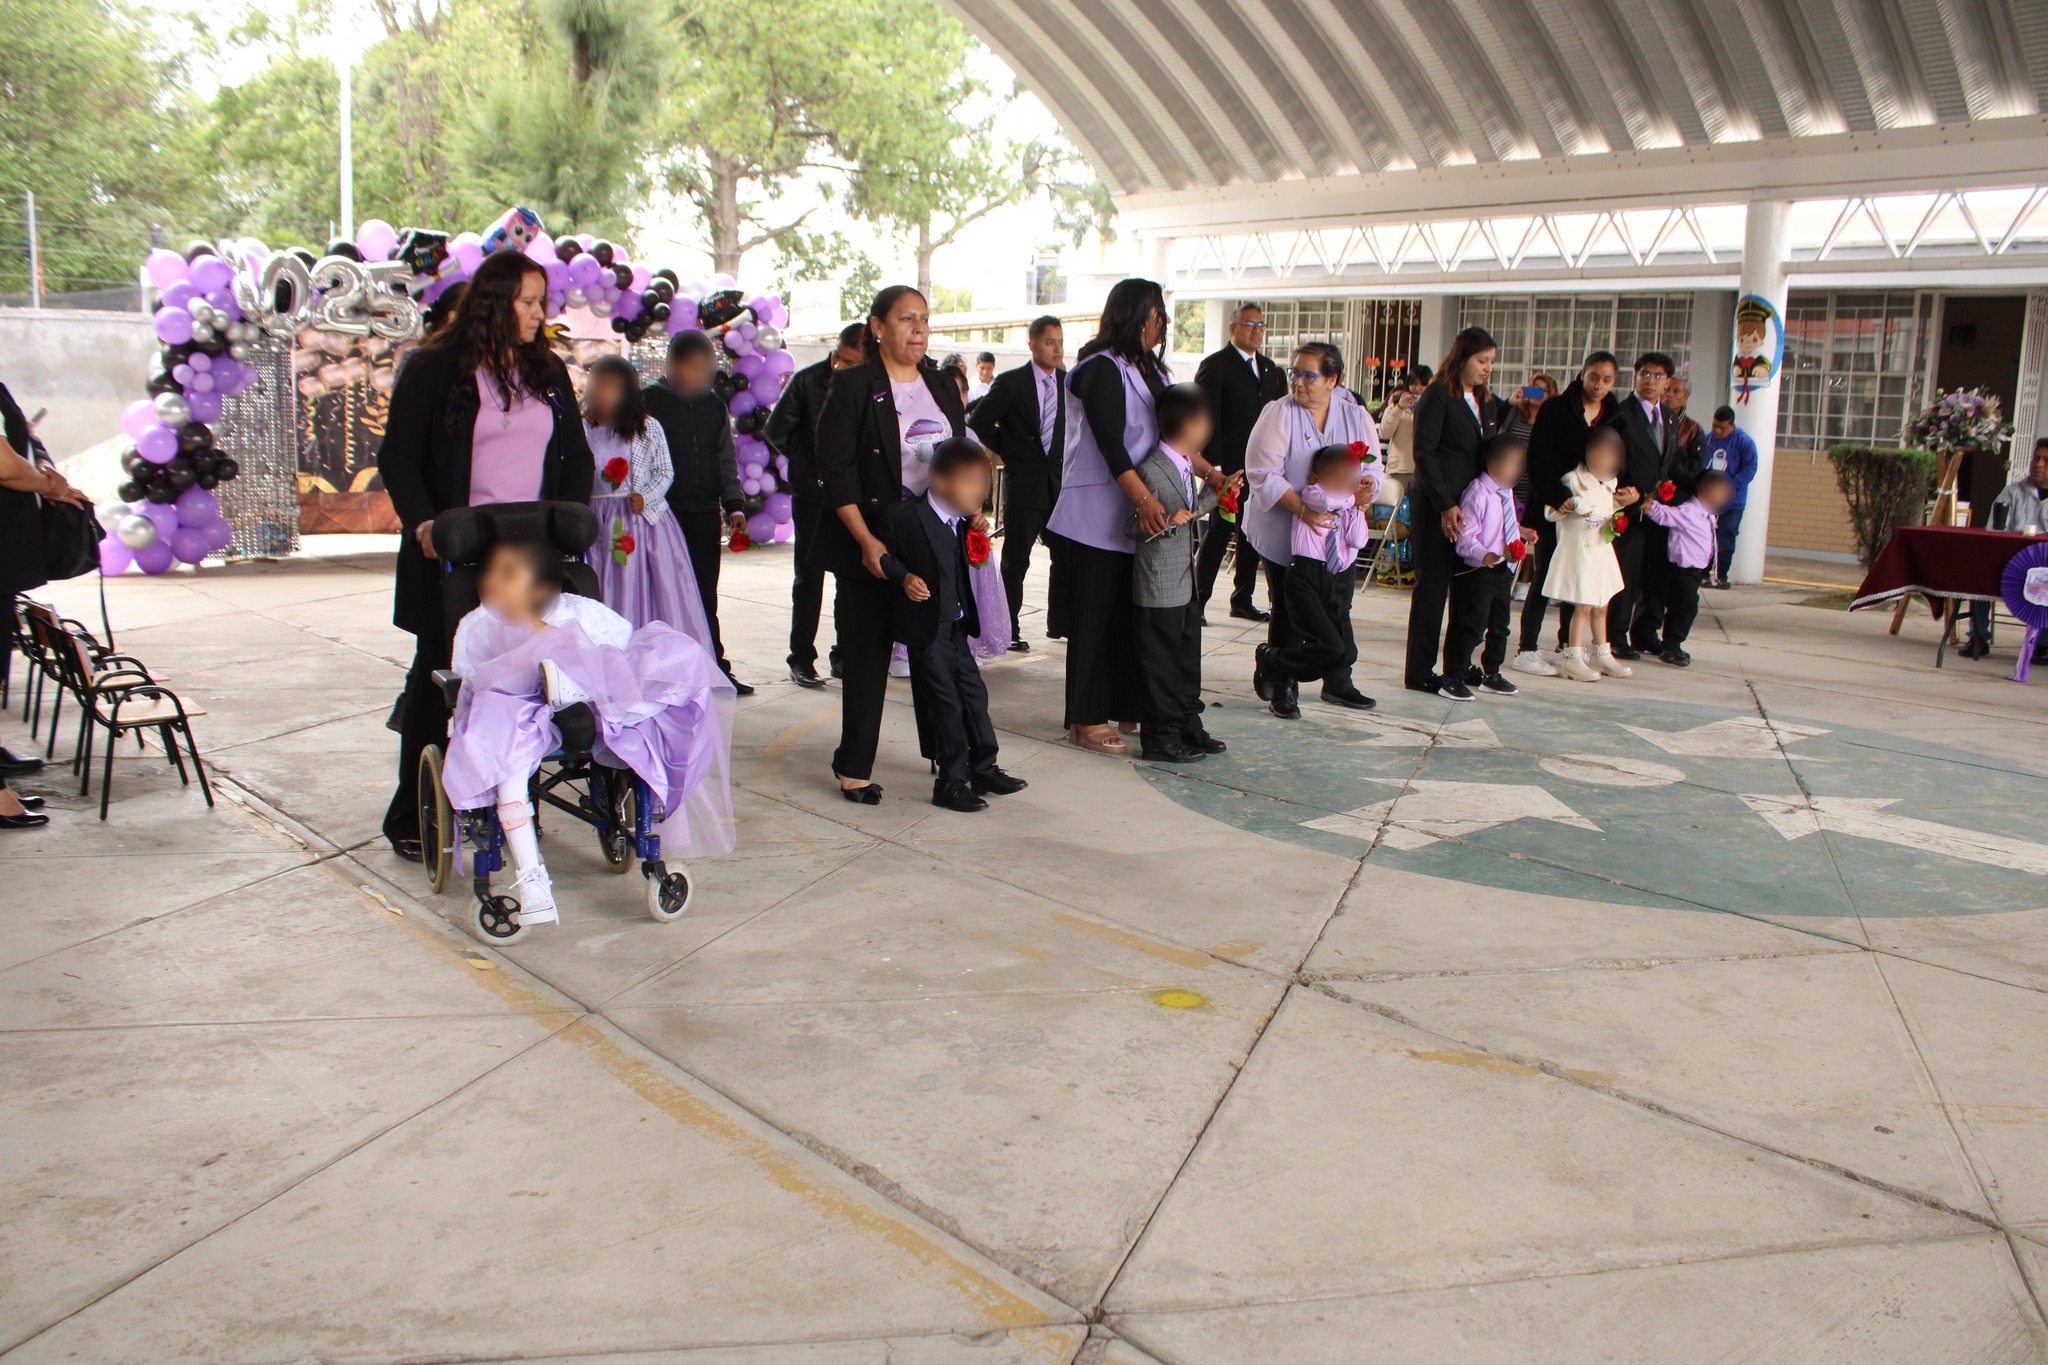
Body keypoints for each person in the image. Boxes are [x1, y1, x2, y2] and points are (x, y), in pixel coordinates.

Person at [376, 249, 595, 860]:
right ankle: (415, 815)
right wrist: (424, 523)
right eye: (527, 302)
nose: (537, 313)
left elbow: (574, 457)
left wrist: (566, 520)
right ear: (495, 303)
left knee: (529, 680)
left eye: (540, 302)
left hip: (530, 552)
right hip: (457, 548)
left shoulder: (547, 370)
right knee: (440, 679)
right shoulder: (434, 368)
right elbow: (398, 457)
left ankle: (513, 801)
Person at [441, 536, 735, 925]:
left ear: (544, 584)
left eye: (509, 575)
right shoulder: (479, 624)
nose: (496, 585)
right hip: (515, 716)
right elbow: (467, 683)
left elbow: (624, 656)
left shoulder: (584, 611)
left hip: (593, 712)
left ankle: (571, 683)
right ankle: (533, 882)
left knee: (665, 657)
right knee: (501, 732)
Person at [812, 285, 969, 802]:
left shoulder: (942, 385)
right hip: (873, 536)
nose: (919, 329)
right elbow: (834, 470)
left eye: (924, 319)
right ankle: (854, 764)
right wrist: (866, 540)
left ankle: (947, 757)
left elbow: (959, 459)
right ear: (878, 327)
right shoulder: (854, 384)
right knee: (868, 652)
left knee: (934, 650)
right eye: (907, 319)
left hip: (931, 536)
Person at [1051, 278, 1219, 757]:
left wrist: (1213, 474)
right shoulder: (1097, 368)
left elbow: (1178, 438)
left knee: (1134, 620)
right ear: (1135, 315)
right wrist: (1144, 499)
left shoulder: (1154, 371)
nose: (1161, 322)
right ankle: (1084, 718)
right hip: (1098, 515)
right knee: (1095, 620)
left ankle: (1130, 704)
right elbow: (1111, 444)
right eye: (1156, 312)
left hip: (1148, 516)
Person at [878, 437, 1027, 812]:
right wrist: (903, 576)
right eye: (972, 482)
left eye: (984, 483)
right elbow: (880, 554)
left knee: (974, 696)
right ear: (941, 482)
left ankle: (984, 767)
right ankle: (951, 780)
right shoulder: (904, 517)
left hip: (957, 627)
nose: (981, 491)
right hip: (926, 631)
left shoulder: (962, 521)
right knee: (944, 703)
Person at [1242, 341, 1380, 711]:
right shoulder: (1280, 413)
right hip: (1287, 528)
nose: (1298, 382)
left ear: (1332, 379)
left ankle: (1338, 680)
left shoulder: (1354, 415)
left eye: (1308, 375)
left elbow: (1372, 469)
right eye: (1294, 373)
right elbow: (1262, 473)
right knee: (1289, 609)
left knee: (1338, 605)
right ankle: (1283, 681)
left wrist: (1366, 491)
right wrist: (1304, 510)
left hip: (1338, 537)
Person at [1128, 383, 1234, 763]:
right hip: (1157, 583)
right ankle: (1159, 737)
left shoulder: (1187, 462)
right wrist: (1164, 519)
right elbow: (1130, 525)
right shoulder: (1150, 469)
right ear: (1188, 423)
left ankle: (1188, 723)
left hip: (1183, 580)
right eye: (1205, 421)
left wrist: (1218, 493)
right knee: (1162, 664)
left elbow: (1192, 509)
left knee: (1188, 658)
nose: (1209, 429)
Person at [644, 330, 752, 695]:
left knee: (705, 594)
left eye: (707, 370)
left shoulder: (713, 407)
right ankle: (665, 672)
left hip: (705, 513)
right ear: (672, 365)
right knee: (664, 595)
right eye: (693, 368)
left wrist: (734, 506)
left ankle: (715, 668)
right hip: (662, 517)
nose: (701, 377)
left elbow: (726, 461)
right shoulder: (647, 403)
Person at [580, 355, 713, 645]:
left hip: (643, 525)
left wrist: (645, 496)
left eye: (613, 387)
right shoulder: (582, 430)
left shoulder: (647, 427)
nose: (604, 393)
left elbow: (665, 471)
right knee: (604, 585)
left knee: (648, 589)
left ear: (628, 392)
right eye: (598, 385)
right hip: (599, 525)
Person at [766, 322, 865, 686]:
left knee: (849, 578)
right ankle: (801, 658)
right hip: (812, 496)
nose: (844, 367)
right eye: (842, 359)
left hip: (850, 495)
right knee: (809, 578)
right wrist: (808, 463)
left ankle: (843, 655)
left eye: (854, 363)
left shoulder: (869, 386)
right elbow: (776, 431)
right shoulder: (807, 381)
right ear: (835, 352)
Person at [1403, 327, 1500, 693]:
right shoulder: (1438, 396)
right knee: (1433, 586)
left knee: (1469, 588)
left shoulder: (1487, 402)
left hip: (1474, 509)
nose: (1487, 368)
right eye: (1481, 361)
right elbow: (1425, 454)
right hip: (1438, 504)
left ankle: (1456, 666)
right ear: (1461, 358)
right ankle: (1420, 671)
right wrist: (1446, 504)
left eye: (1491, 361)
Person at [1511, 352, 1620, 677]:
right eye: (1594, 377)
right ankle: (1527, 649)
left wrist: (1618, 489)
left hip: (1592, 512)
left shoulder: (1614, 411)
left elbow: (1616, 457)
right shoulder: (1556, 407)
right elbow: (1539, 460)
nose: (1599, 385)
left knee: (1584, 579)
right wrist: (1560, 498)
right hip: (1554, 507)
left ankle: (1567, 646)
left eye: (1607, 379)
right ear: (1582, 374)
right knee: (1547, 576)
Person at [1252, 443, 1375, 719]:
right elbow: (1324, 501)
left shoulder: (1349, 506)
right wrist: (1354, 499)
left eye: (1351, 481)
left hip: (1338, 579)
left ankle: (1277, 660)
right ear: (1317, 478)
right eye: (1340, 480)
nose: (1346, 486)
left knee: (1346, 652)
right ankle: (1273, 659)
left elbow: (1358, 540)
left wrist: (1358, 509)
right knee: (1329, 645)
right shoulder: (1313, 496)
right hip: (1306, 577)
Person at [969, 315, 1068, 652]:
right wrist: (1010, 448)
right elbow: (980, 419)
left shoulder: (1069, 385)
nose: (1056, 348)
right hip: (1024, 484)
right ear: (1032, 344)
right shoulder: (1012, 382)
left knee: (1065, 556)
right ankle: (1008, 627)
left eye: (1059, 342)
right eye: (1049, 342)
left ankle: (1060, 622)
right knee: (1016, 560)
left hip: (1059, 486)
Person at [1194, 303, 1288, 621]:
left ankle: (1242, 599)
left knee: (1252, 533)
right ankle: (1197, 601)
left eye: (1261, 325)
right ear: (1233, 328)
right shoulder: (1216, 366)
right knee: (1220, 531)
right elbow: (1206, 417)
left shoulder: (1270, 368)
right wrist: (1214, 467)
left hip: (1261, 469)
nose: (1256, 330)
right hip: (1227, 468)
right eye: (1249, 324)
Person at [1543, 427, 1640, 682]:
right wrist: (1571, 505)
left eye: (1610, 457)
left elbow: (1605, 509)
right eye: (1598, 454)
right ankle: (1572, 656)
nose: (1602, 461)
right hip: (1581, 552)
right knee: (1583, 606)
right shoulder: (1573, 479)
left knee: (1601, 605)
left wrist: (1623, 503)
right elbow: (1551, 512)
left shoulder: (1609, 483)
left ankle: (1602, 652)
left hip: (1601, 552)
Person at [1443, 436, 1534, 699]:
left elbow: (1504, 525)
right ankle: (1453, 676)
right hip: (1479, 571)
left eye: (1521, 465)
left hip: (1503, 570)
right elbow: (1465, 538)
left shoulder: (1505, 493)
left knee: (1500, 625)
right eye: (1513, 465)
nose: (1518, 472)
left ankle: (1491, 673)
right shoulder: (1478, 493)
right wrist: (1484, 555)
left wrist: (1522, 532)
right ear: (1494, 463)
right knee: (1472, 626)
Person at [1604, 351, 1678, 660]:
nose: (1650, 381)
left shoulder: (1670, 417)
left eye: (1658, 376)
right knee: (1626, 574)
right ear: (1635, 377)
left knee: (1656, 574)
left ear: (1667, 384)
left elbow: (1667, 462)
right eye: (1645, 374)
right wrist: (1624, 495)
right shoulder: (1621, 414)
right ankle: (1615, 635)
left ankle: (1646, 632)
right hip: (1629, 507)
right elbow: (1610, 459)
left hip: (1659, 510)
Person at [1962, 439, 2048, 661]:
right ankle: (1978, 637)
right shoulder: (2012, 493)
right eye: (2036, 458)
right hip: (2012, 567)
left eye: (2046, 460)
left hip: (2045, 572)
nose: (2039, 464)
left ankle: (2043, 644)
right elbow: (1994, 531)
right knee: (1979, 574)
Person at [1642, 469, 1732, 667]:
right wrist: (1651, 506)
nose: (1724, 498)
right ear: (1705, 492)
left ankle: (1670, 644)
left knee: (1681, 607)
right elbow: (1667, 515)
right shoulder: (1689, 511)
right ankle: (1672, 646)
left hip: (1695, 572)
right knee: (1686, 608)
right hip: (1682, 570)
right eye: (1721, 493)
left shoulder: (1708, 514)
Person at [1702, 405, 1758, 588]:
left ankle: (1722, 574)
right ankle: (1703, 573)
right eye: (1715, 425)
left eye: (1722, 427)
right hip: (1707, 499)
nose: (1717, 431)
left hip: (1732, 502)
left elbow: (1750, 468)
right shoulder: (1706, 439)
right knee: (1705, 536)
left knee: (1726, 537)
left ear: (1732, 425)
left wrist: (1729, 487)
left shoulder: (1744, 442)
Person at [1373, 365, 1430, 508]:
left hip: (1422, 468)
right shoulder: (1396, 404)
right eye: (1413, 383)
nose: (1417, 388)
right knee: (1395, 511)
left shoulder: (1433, 406)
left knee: (1418, 510)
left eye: (1422, 384)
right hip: (1399, 468)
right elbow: (1384, 432)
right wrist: (1399, 408)